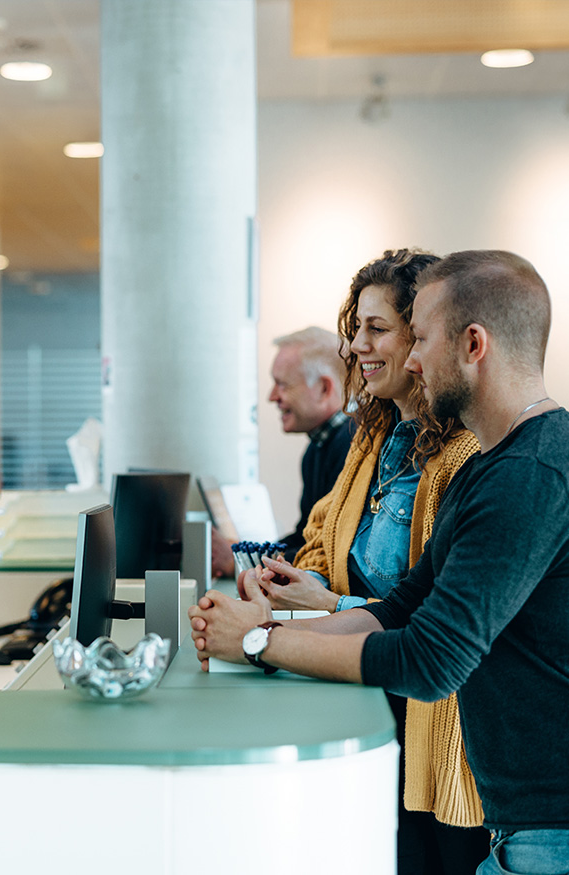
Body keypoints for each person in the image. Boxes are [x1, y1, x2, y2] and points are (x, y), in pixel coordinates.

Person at [190, 250, 569, 875]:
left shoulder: (528, 476)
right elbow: (397, 610)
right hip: (522, 822)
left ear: (473, 345)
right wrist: (260, 633)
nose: (411, 359)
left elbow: (430, 657)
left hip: (547, 830)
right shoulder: (491, 469)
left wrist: (259, 642)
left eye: (419, 338)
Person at [255, 250, 487, 874]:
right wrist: (293, 582)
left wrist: (326, 606)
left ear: (424, 335)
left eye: (377, 328)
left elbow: (439, 623)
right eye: (355, 328)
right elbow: (320, 536)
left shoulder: (465, 458)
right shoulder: (373, 436)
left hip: (438, 735)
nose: (357, 345)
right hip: (369, 699)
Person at [212, 326, 352, 576]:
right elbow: (305, 538)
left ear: (323, 388)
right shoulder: (317, 448)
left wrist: (240, 561)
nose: (271, 396)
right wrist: (244, 552)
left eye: (282, 385)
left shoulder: (353, 448)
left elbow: (326, 552)